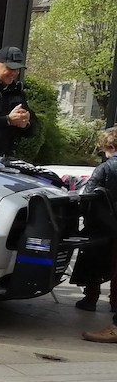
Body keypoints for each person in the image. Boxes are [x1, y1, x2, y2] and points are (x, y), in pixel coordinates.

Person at [74, 127, 117, 325]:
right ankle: (115, 302)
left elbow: (88, 196)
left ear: (110, 146)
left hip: (103, 224)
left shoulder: (105, 168)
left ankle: (90, 298)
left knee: (93, 259)